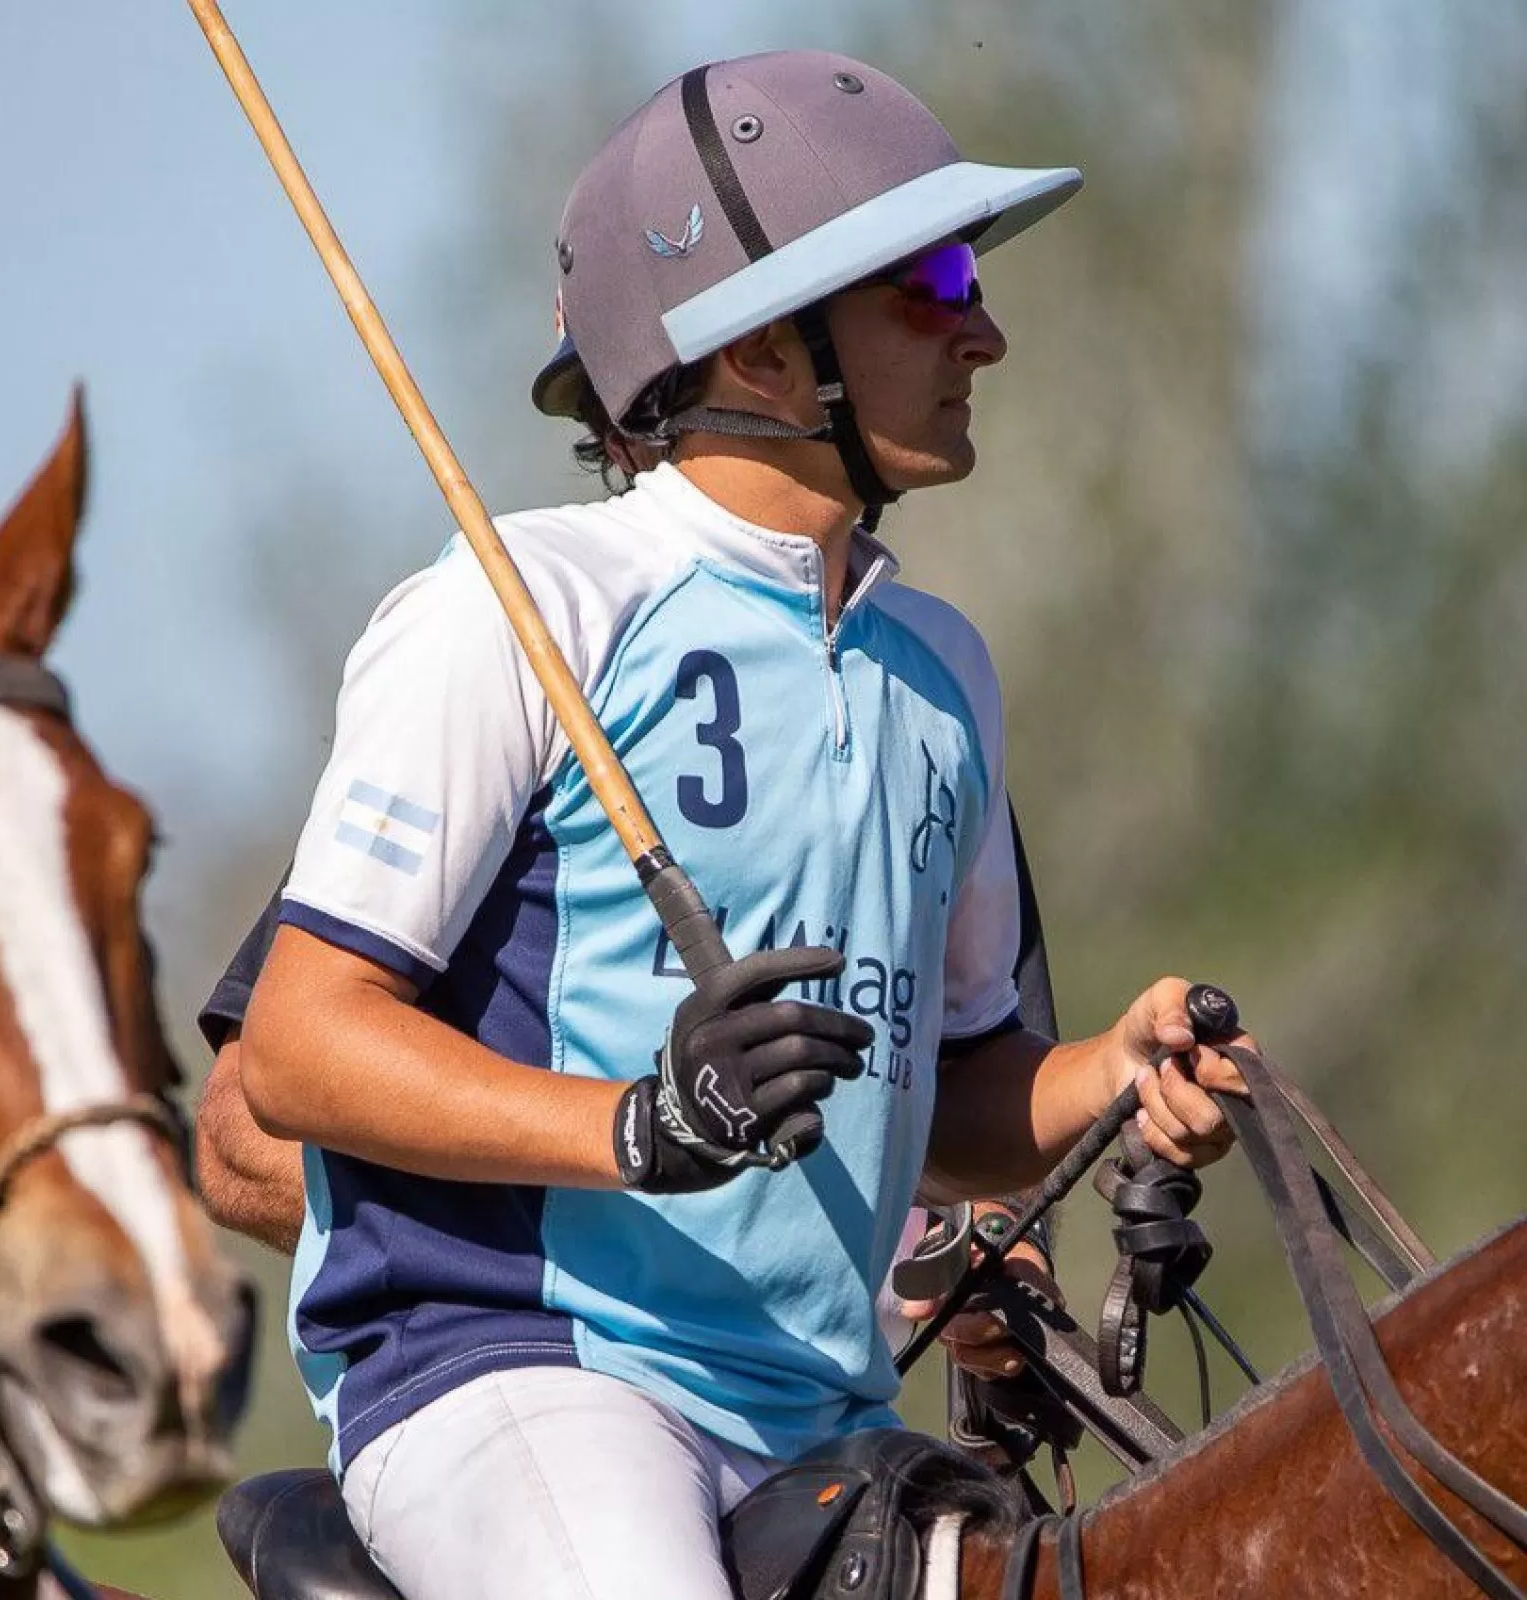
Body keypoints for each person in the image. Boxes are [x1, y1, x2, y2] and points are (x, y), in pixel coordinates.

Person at [205, 50, 1250, 1600]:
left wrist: (1114, 1073)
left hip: (820, 1412)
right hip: (524, 1371)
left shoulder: (943, 672)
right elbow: (292, 1052)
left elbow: (945, 1099)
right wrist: (638, 1127)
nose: (986, 329)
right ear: (760, 347)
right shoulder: (524, 605)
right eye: (934, 284)